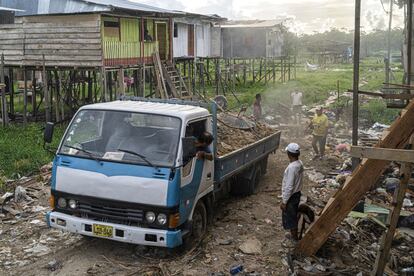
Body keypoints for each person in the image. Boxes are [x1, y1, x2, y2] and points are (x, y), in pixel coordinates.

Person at [281, 143, 304, 245]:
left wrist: (284, 201)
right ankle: (294, 236)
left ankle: (295, 240)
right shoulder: (299, 164)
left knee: (290, 217)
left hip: (291, 196)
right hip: (297, 194)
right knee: (293, 215)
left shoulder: (291, 168)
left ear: (289, 154)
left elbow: (289, 186)